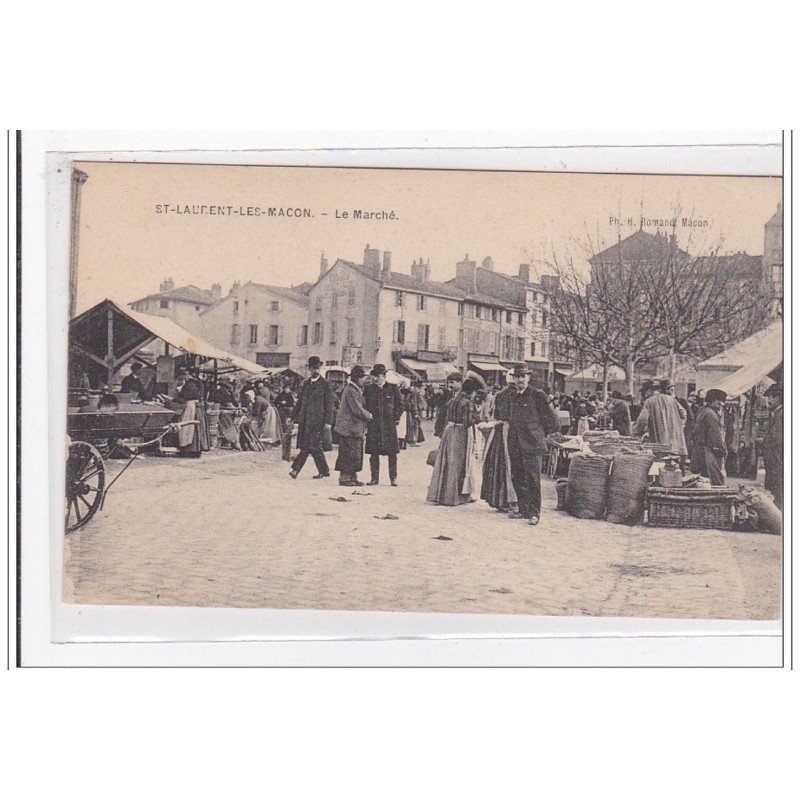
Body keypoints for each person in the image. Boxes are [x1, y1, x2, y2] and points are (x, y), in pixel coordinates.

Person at [502, 365, 560, 525]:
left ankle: (535, 513)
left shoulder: (537, 395)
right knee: (517, 477)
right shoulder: (512, 396)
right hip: (515, 443)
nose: (520, 380)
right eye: (517, 377)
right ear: (513, 379)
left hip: (533, 444)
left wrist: (541, 435)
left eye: (523, 376)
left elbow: (551, 419)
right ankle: (523, 509)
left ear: (528, 377)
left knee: (533, 479)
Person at [427, 375, 482, 505]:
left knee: (447, 463)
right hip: (460, 433)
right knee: (459, 464)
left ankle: (442, 495)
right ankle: (457, 496)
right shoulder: (468, 402)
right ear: (472, 392)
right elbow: (468, 421)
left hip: (449, 431)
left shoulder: (453, 399)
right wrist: (477, 415)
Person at [289, 356, 335, 479]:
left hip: (318, 422)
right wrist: (292, 416)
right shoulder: (306, 384)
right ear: (309, 369)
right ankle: (324, 470)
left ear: (320, 369)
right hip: (305, 421)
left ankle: (296, 469)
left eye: (317, 368)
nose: (315, 370)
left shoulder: (326, 385)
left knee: (307, 446)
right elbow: (299, 403)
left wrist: (328, 422)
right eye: (313, 368)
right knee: (314, 448)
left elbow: (330, 405)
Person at [480, 381, 518, 512]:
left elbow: (494, 414)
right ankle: (512, 501)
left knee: (497, 463)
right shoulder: (518, 395)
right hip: (512, 431)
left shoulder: (500, 395)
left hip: (499, 432)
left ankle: (498, 499)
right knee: (511, 465)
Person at [364, 364, 404, 486]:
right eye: (374, 376)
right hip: (374, 426)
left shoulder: (393, 388)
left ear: (384, 376)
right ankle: (374, 479)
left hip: (389, 427)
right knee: (373, 454)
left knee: (392, 454)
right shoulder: (369, 389)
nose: (376, 379)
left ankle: (393, 478)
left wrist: (394, 417)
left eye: (378, 376)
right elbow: (364, 405)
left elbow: (400, 405)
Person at [333, 365, 373, 486]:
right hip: (349, 428)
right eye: (362, 378)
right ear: (357, 378)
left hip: (354, 428)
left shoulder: (355, 389)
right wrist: (369, 415)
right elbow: (357, 409)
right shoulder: (350, 390)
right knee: (348, 453)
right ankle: (345, 478)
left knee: (355, 453)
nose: (364, 380)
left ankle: (352, 476)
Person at [635, 379, 688, 459]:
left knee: (660, 464)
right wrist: (680, 426)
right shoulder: (673, 400)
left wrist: (638, 432)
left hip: (660, 443)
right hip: (676, 441)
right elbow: (684, 413)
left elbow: (642, 420)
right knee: (676, 465)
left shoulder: (649, 401)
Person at [690, 388, 728, 486]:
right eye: (719, 403)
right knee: (714, 483)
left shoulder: (704, 411)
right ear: (714, 401)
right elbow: (715, 437)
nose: (720, 406)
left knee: (702, 483)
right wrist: (722, 451)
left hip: (700, 452)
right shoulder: (711, 415)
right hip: (708, 454)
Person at [762, 383, 783, 508]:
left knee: (778, 488)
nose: (768, 401)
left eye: (770, 397)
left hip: (778, 459)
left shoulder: (782, 414)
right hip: (773, 459)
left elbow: (777, 439)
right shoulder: (774, 413)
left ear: (778, 398)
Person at [434, 372, 461, 437]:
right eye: (448, 383)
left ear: (460, 382)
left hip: (457, 429)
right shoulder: (449, 394)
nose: (449, 385)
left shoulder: (463, 396)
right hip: (447, 428)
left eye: (452, 382)